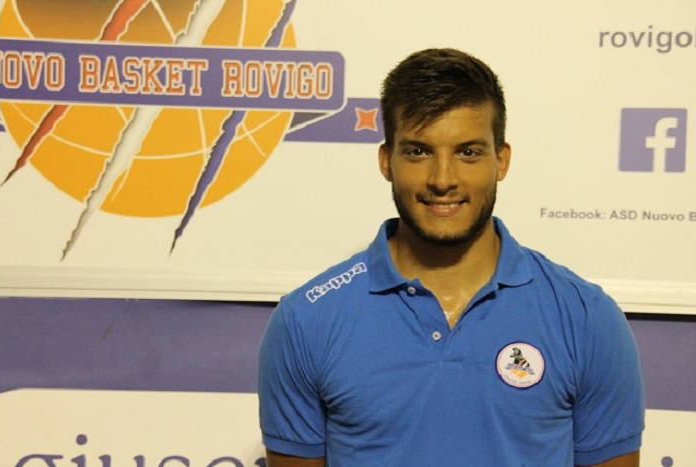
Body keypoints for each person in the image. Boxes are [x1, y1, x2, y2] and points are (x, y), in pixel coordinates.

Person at [258, 48, 645, 466]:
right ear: (386, 161)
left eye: (468, 152)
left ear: (501, 160)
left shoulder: (586, 318)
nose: (443, 179)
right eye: (418, 152)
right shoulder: (306, 321)